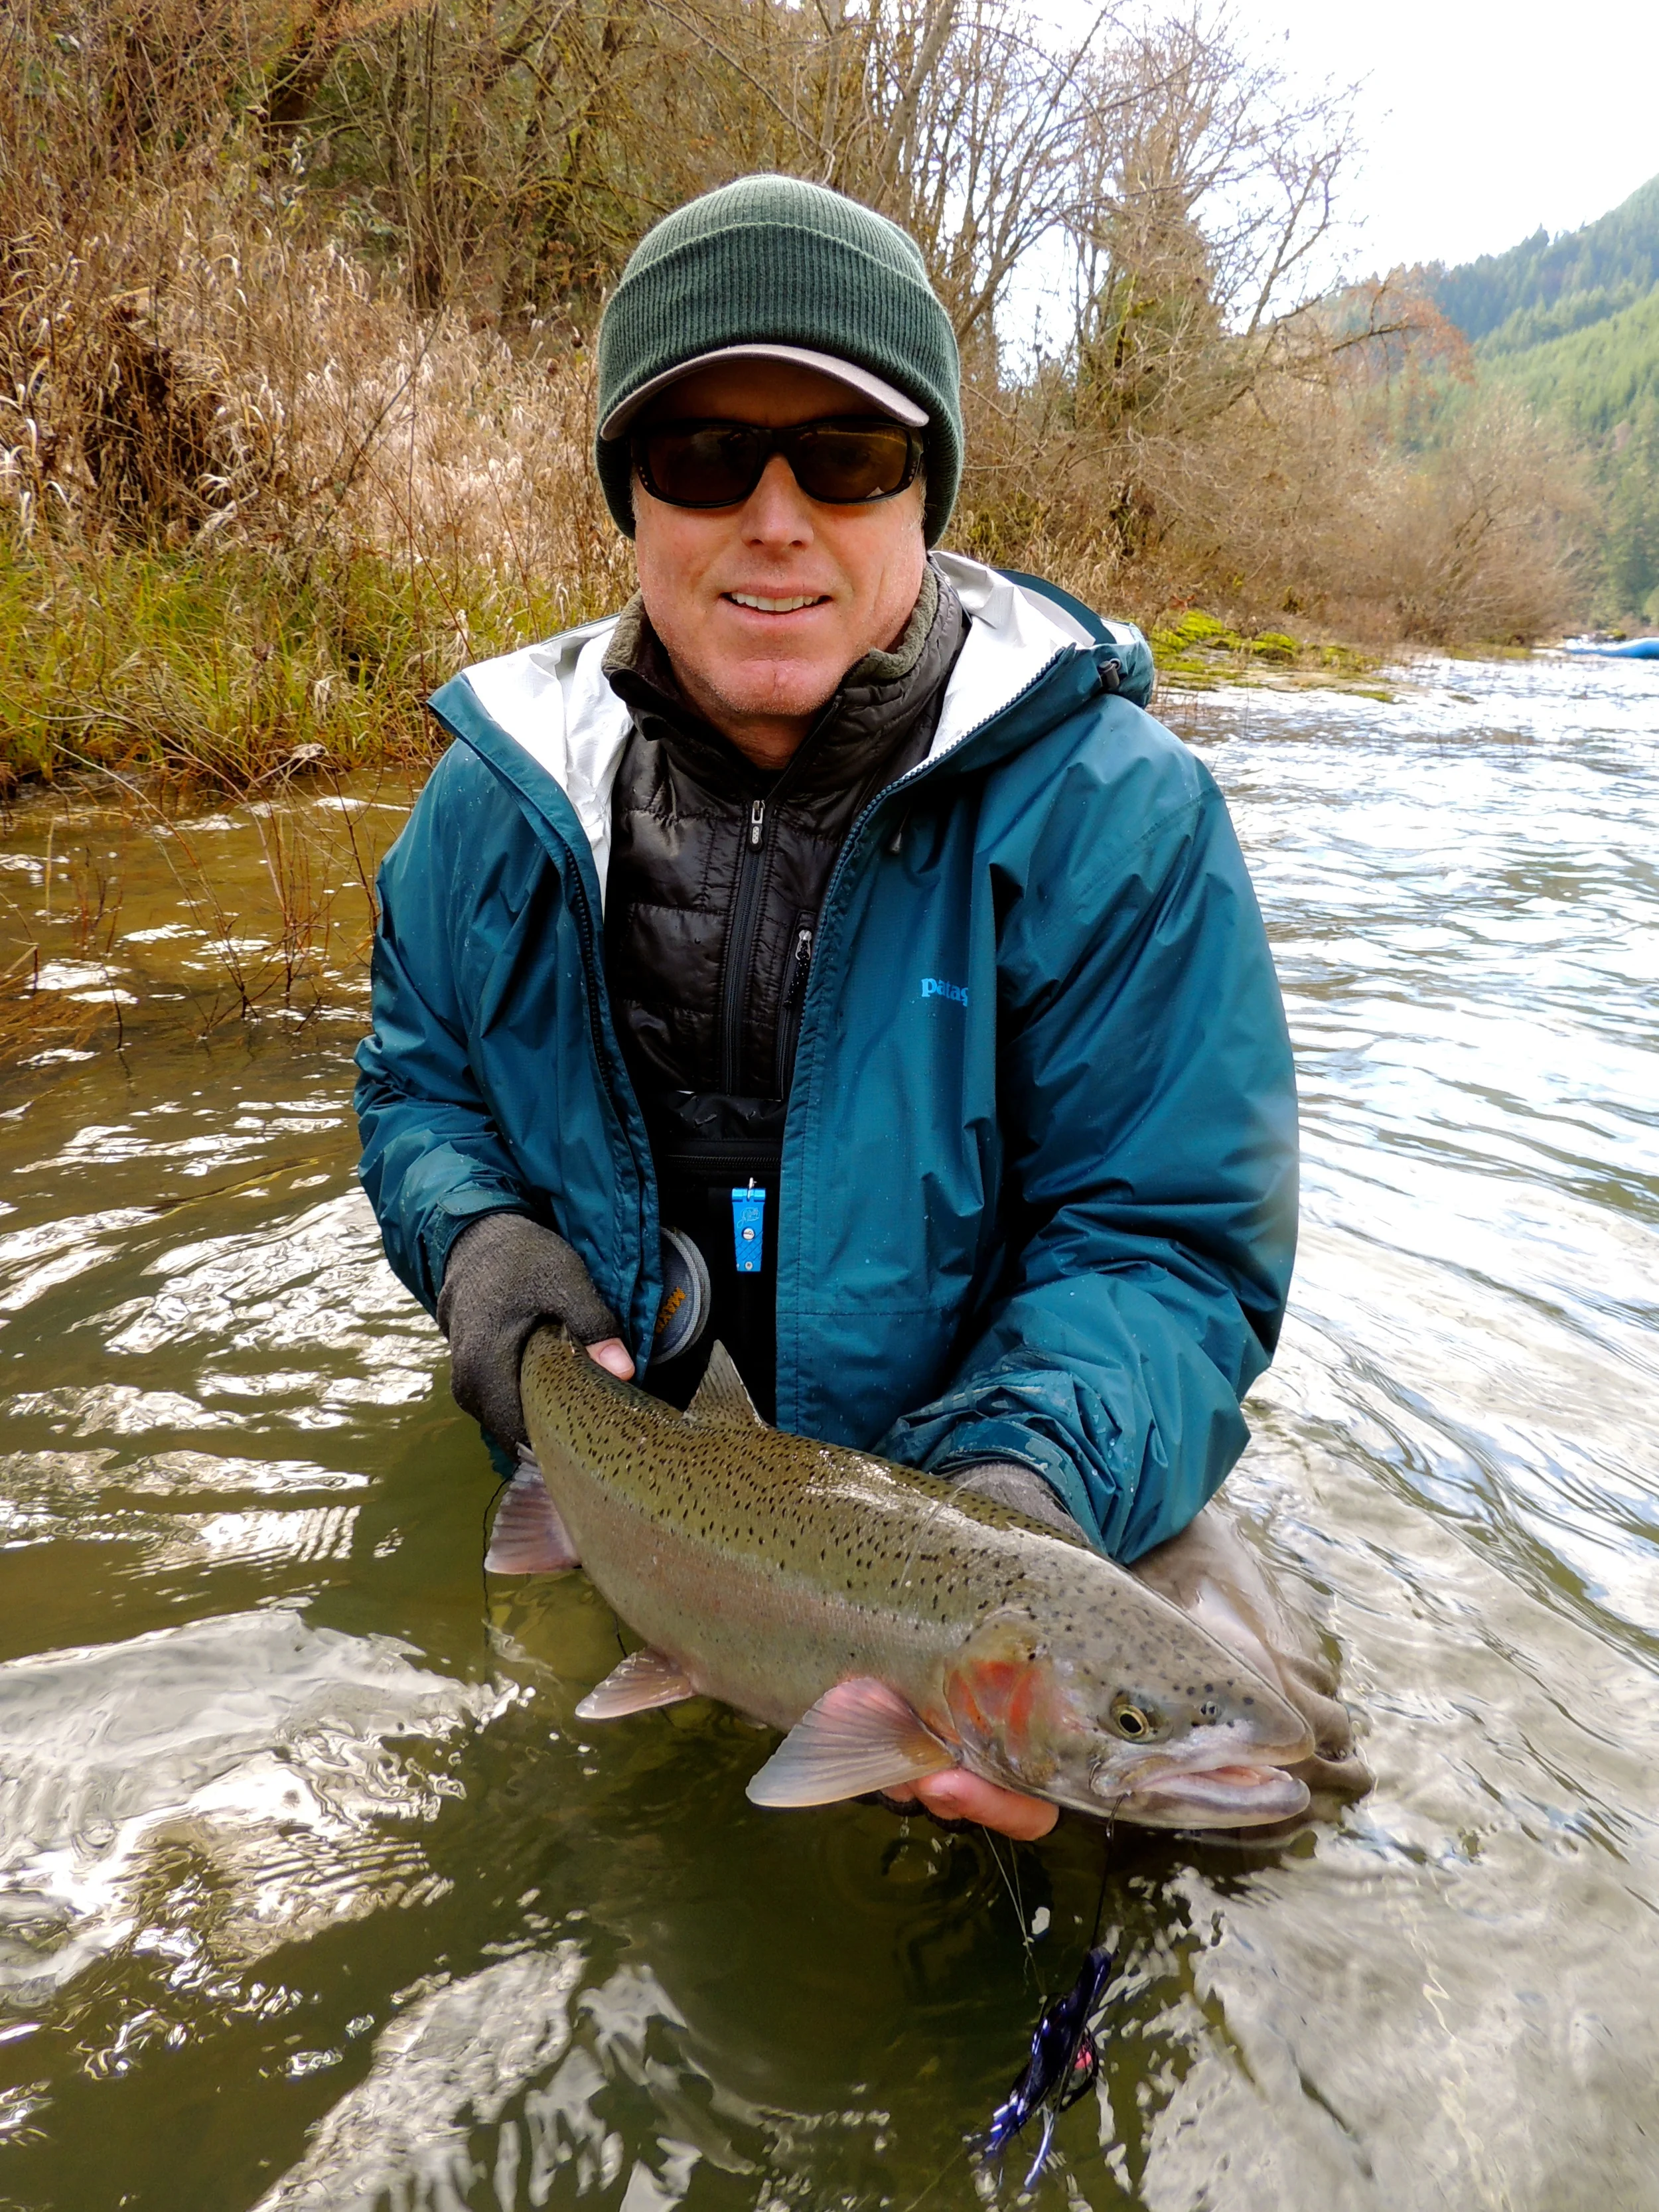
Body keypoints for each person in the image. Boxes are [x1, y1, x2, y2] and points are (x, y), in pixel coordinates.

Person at [356, 173, 1360, 1840]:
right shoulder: (485, 813)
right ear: (631, 497)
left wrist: (1015, 1499)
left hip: (1014, 1496)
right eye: (702, 456)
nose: (774, 518)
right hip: (633, 1452)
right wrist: (478, 1257)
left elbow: (1170, 1245)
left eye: (843, 455)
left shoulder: (1121, 818)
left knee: (1267, 1798)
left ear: (923, 493)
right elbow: (417, 1093)